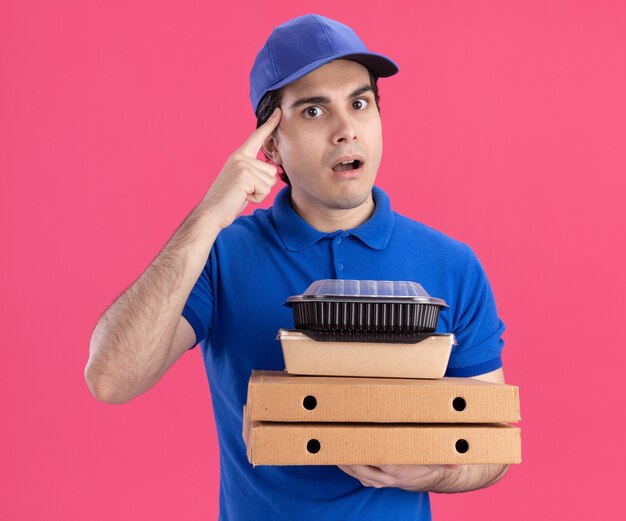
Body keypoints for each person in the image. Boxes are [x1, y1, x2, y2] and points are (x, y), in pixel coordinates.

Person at [85, 14, 509, 521]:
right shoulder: (220, 257)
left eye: (359, 103)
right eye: (313, 111)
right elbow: (111, 379)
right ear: (269, 144)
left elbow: (490, 444)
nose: (346, 129)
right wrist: (208, 217)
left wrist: (432, 473)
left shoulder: (453, 265)